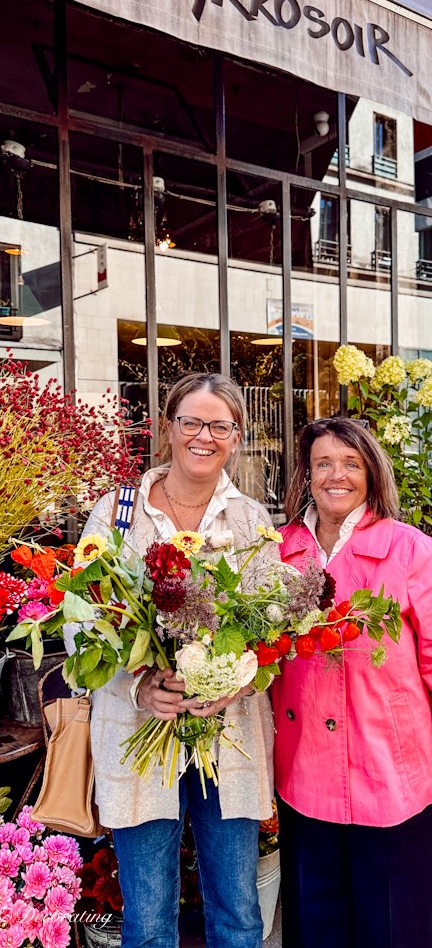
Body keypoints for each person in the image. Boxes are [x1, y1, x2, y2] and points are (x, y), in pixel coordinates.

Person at [80, 373, 279, 948]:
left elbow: (269, 632)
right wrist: (139, 683)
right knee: (148, 918)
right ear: (168, 428)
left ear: (236, 438)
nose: (204, 436)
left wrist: (235, 681)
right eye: (191, 421)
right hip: (141, 729)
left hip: (229, 731)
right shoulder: (117, 515)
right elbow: (81, 622)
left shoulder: (249, 521)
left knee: (238, 910)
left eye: (220, 425)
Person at [272, 416, 432, 948]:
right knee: (315, 927)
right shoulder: (279, 551)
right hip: (303, 774)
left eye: (351, 463)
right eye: (323, 463)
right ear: (307, 473)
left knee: (392, 927)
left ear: (371, 473)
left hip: (390, 773)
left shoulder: (410, 550)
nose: (335, 475)